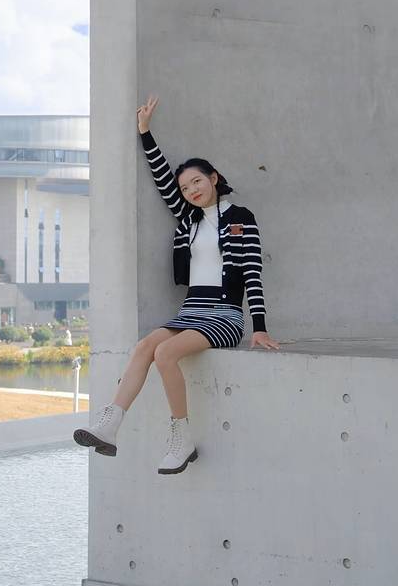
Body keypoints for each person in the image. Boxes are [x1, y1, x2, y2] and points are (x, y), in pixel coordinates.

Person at [74, 95, 280, 476]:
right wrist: (145, 132)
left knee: (165, 353)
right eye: (185, 188)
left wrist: (260, 327)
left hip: (224, 315)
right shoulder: (189, 220)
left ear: (214, 178)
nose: (191, 191)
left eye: (197, 182)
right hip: (190, 312)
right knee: (145, 347)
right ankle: (110, 425)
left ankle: (182, 439)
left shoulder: (241, 217)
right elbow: (162, 178)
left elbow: (252, 272)